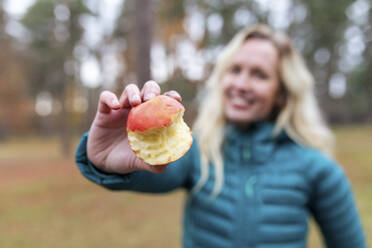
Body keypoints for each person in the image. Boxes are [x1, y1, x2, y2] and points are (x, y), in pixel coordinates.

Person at [75, 24, 366, 248]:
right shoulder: (196, 151)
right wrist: (102, 157)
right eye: (234, 70)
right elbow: (153, 171)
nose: (240, 83)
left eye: (259, 75)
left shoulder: (318, 170)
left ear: (282, 91)